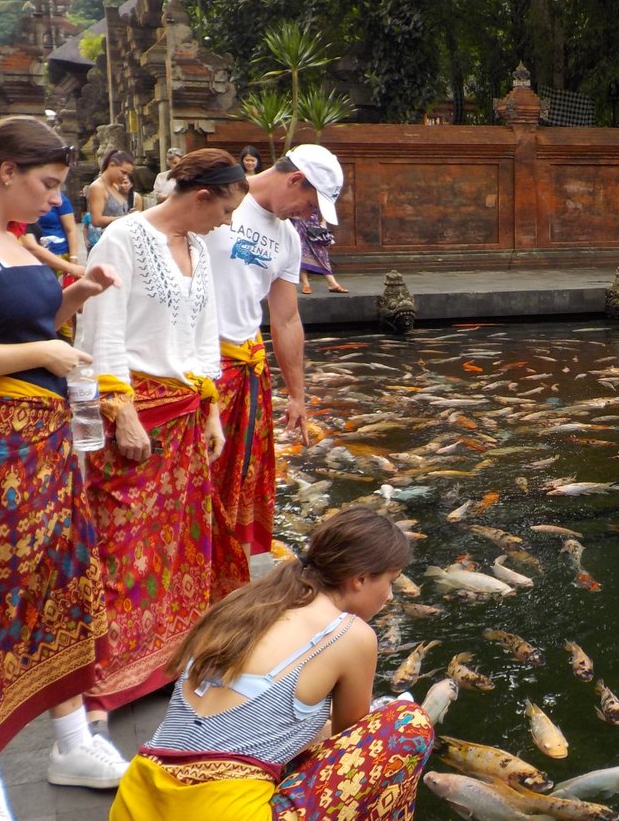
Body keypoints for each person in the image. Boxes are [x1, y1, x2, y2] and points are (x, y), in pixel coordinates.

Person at [0, 117, 124, 817]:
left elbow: (24, 329)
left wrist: (72, 303)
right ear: (5, 170)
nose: (55, 201)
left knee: (64, 578)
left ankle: (69, 738)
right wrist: (44, 355)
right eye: (47, 184)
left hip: (46, 440)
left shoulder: (14, 238)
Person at [74, 149, 249, 737]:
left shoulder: (198, 248)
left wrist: (212, 410)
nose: (225, 223)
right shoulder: (122, 239)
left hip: (182, 414)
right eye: (224, 209)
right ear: (201, 197)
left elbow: (203, 336)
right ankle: (106, 680)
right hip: (134, 413)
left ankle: (173, 657)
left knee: (182, 541)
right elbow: (102, 328)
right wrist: (121, 412)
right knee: (124, 546)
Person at [109, 507, 434, 820]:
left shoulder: (244, 603)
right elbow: (347, 743)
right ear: (360, 579)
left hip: (136, 799)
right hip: (218, 811)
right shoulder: (350, 634)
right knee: (409, 726)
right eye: (391, 581)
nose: (390, 596)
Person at [205, 144, 342, 597]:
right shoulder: (219, 201)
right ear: (294, 178)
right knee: (197, 477)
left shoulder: (288, 236)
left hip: (246, 366)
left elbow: (285, 319)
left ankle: (225, 574)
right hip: (197, 362)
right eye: (309, 202)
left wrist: (298, 396)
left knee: (241, 483)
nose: (309, 213)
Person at [84, 149, 134, 247]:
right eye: (123, 172)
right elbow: (96, 220)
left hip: (121, 241)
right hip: (108, 242)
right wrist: (123, 219)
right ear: (112, 165)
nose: (125, 177)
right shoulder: (97, 187)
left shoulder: (114, 186)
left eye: (128, 174)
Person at [293, 211, 348, 293]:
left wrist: (324, 221)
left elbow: (325, 204)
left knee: (322, 254)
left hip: (314, 224)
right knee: (302, 254)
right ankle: (306, 284)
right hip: (298, 223)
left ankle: (332, 283)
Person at [36, 188, 81, 261]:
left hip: (59, 253)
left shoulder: (59, 198)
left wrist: (73, 257)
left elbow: (70, 229)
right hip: (32, 254)